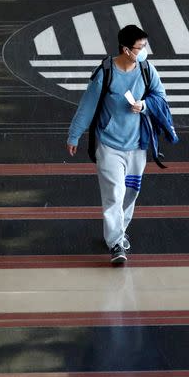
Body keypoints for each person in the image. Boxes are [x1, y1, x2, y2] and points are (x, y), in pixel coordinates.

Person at [66, 24, 167, 265]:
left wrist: (144, 105)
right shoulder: (106, 72)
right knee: (114, 194)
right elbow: (87, 105)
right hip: (109, 145)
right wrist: (74, 134)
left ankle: (119, 231)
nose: (144, 51)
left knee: (130, 193)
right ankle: (116, 243)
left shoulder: (146, 70)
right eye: (140, 47)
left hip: (137, 146)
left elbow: (160, 97)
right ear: (126, 49)